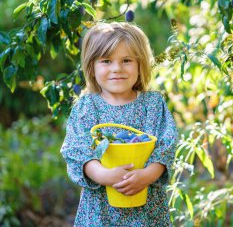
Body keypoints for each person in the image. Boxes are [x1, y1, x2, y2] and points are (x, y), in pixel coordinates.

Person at [61, 22, 178, 226]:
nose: (117, 69)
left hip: (147, 210)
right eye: (106, 61)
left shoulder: (152, 104)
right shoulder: (87, 107)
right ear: (91, 66)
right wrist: (106, 175)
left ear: (140, 64)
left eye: (126, 60)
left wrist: (146, 175)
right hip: (100, 211)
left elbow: (166, 146)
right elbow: (78, 150)